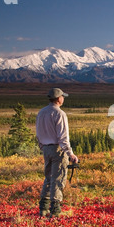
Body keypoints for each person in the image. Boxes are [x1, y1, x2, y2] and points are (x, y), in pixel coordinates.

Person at [36, 88, 79, 218]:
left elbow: (38, 133)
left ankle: (43, 208)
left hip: (46, 149)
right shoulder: (60, 114)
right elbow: (63, 137)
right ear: (58, 98)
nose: (63, 99)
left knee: (48, 178)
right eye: (62, 97)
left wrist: (42, 146)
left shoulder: (41, 113)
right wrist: (70, 153)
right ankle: (55, 210)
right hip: (58, 150)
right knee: (58, 178)